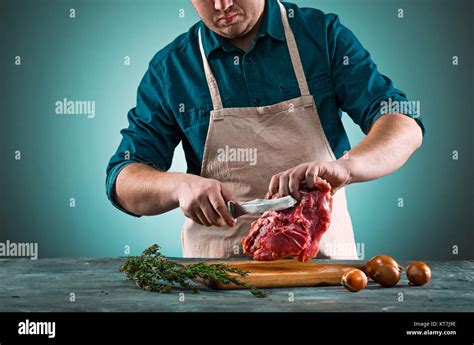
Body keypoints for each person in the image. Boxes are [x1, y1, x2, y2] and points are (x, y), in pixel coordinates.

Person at [106, 0, 424, 259]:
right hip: (218, 280)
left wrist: (347, 167)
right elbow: (122, 178)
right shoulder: (171, 68)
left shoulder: (322, 36)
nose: (222, 4)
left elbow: (402, 121)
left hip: (324, 269)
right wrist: (178, 187)